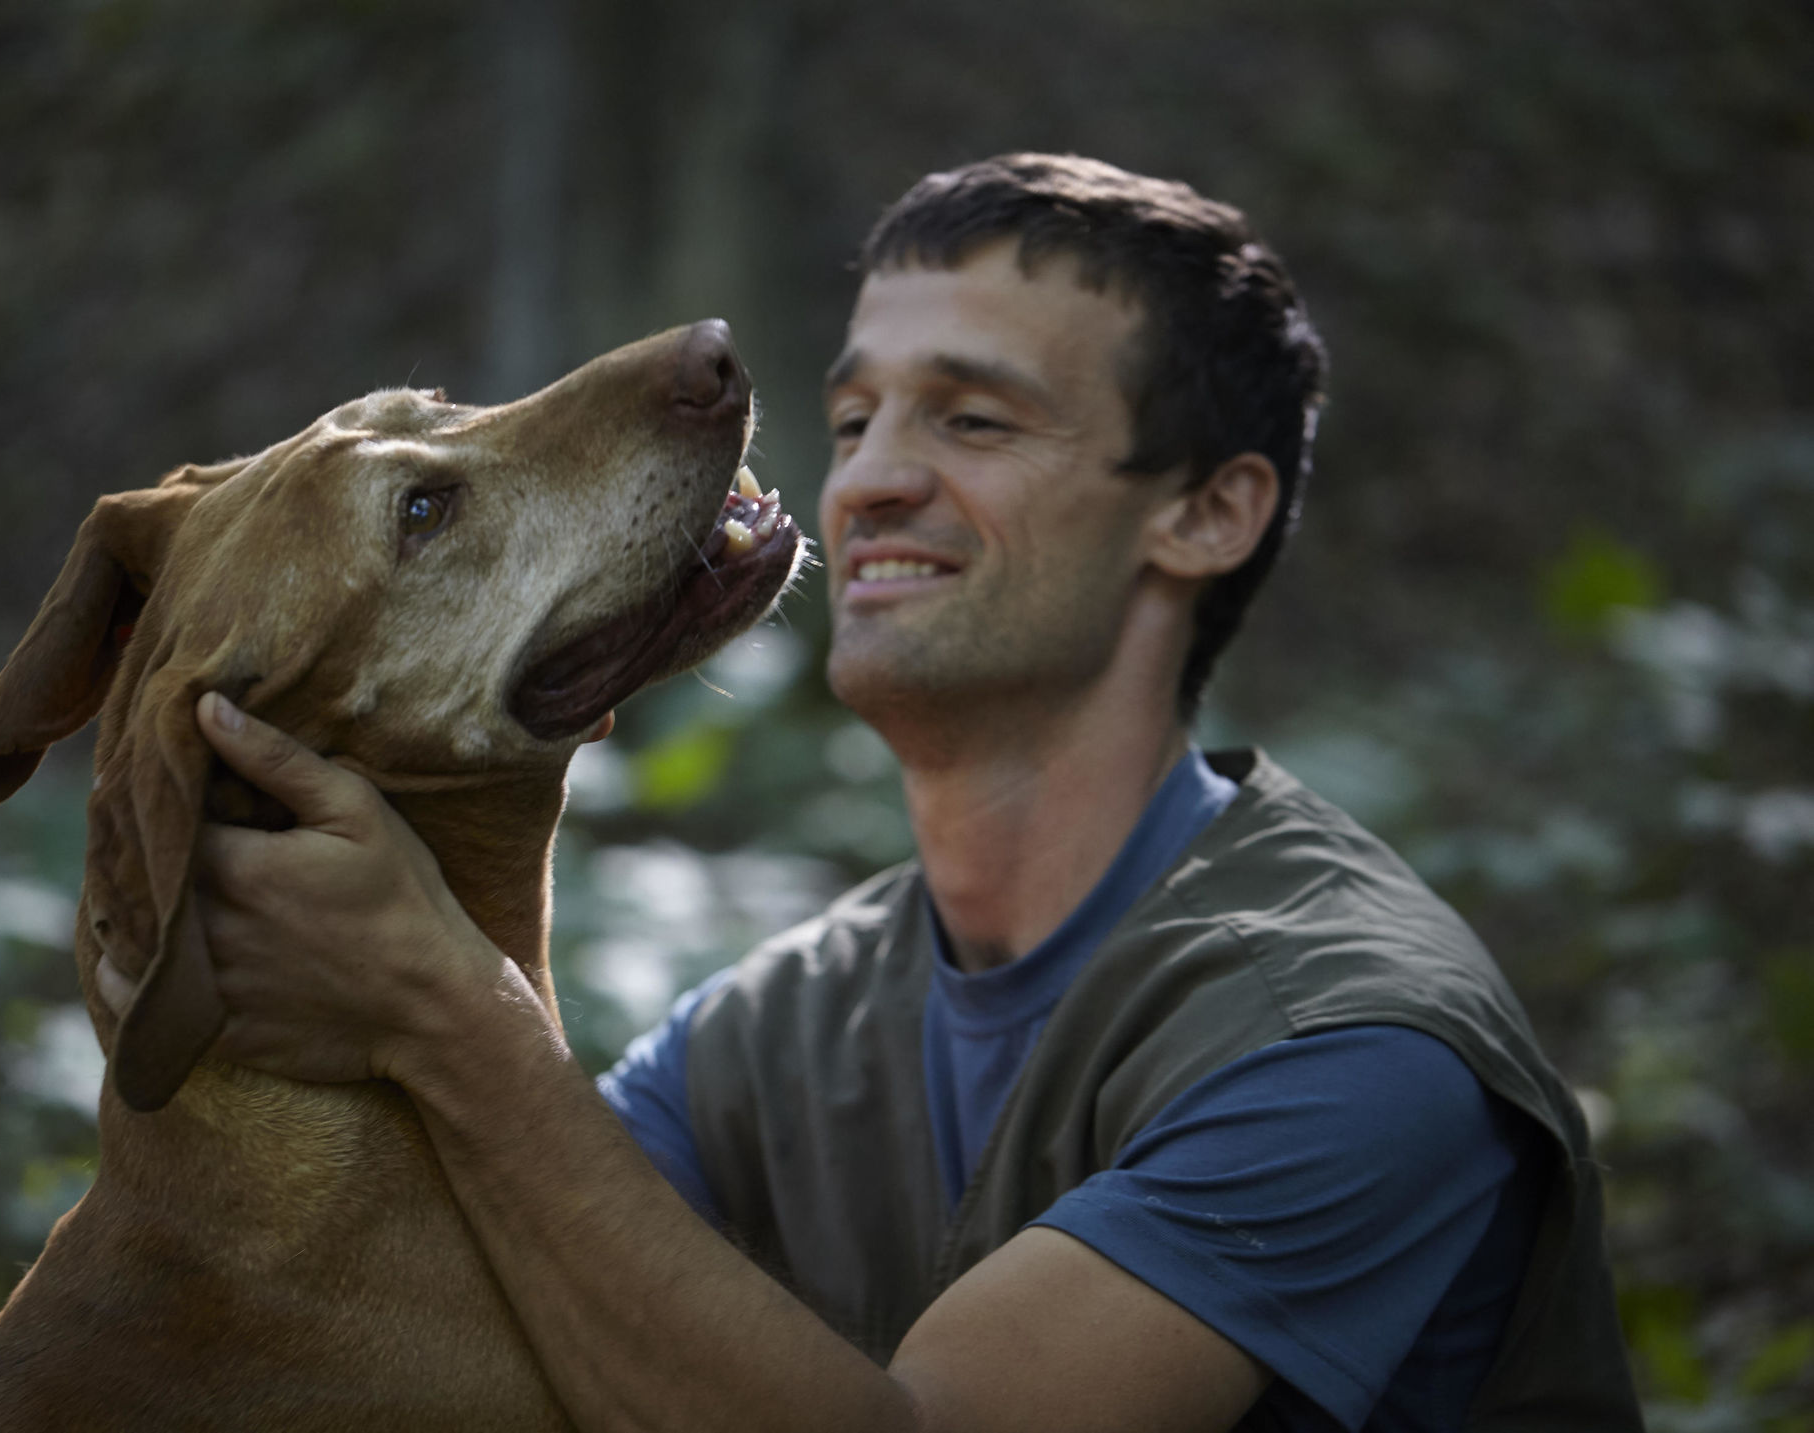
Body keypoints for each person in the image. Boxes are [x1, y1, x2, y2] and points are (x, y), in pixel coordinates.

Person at [184, 155, 1643, 1431]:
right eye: (861, 413)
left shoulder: (1351, 1045)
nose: (868, 478)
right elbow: (484, 1326)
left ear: (1206, 512)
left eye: (975, 422)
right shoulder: (777, 1028)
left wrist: (444, 1011)